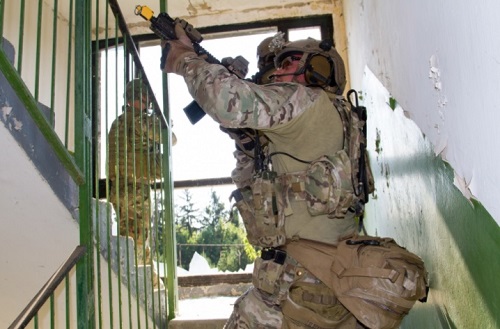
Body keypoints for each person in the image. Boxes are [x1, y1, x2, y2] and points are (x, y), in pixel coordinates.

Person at [161, 25, 426, 328]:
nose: (277, 72)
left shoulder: (307, 102)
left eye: (287, 63)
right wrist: (244, 141)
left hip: (299, 281)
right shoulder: (331, 116)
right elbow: (251, 180)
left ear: (317, 69)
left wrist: (185, 59)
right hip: (315, 281)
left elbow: (227, 102)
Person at [108, 78, 165, 266]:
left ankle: (145, 276)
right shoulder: (141, 122)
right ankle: (138, 287)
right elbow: (170, 139)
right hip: (137, 193)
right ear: (142, 97)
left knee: (128, 238)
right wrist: (162, 121)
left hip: (118, 190)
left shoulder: (116, 124)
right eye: (147, 98)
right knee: (137, 241)